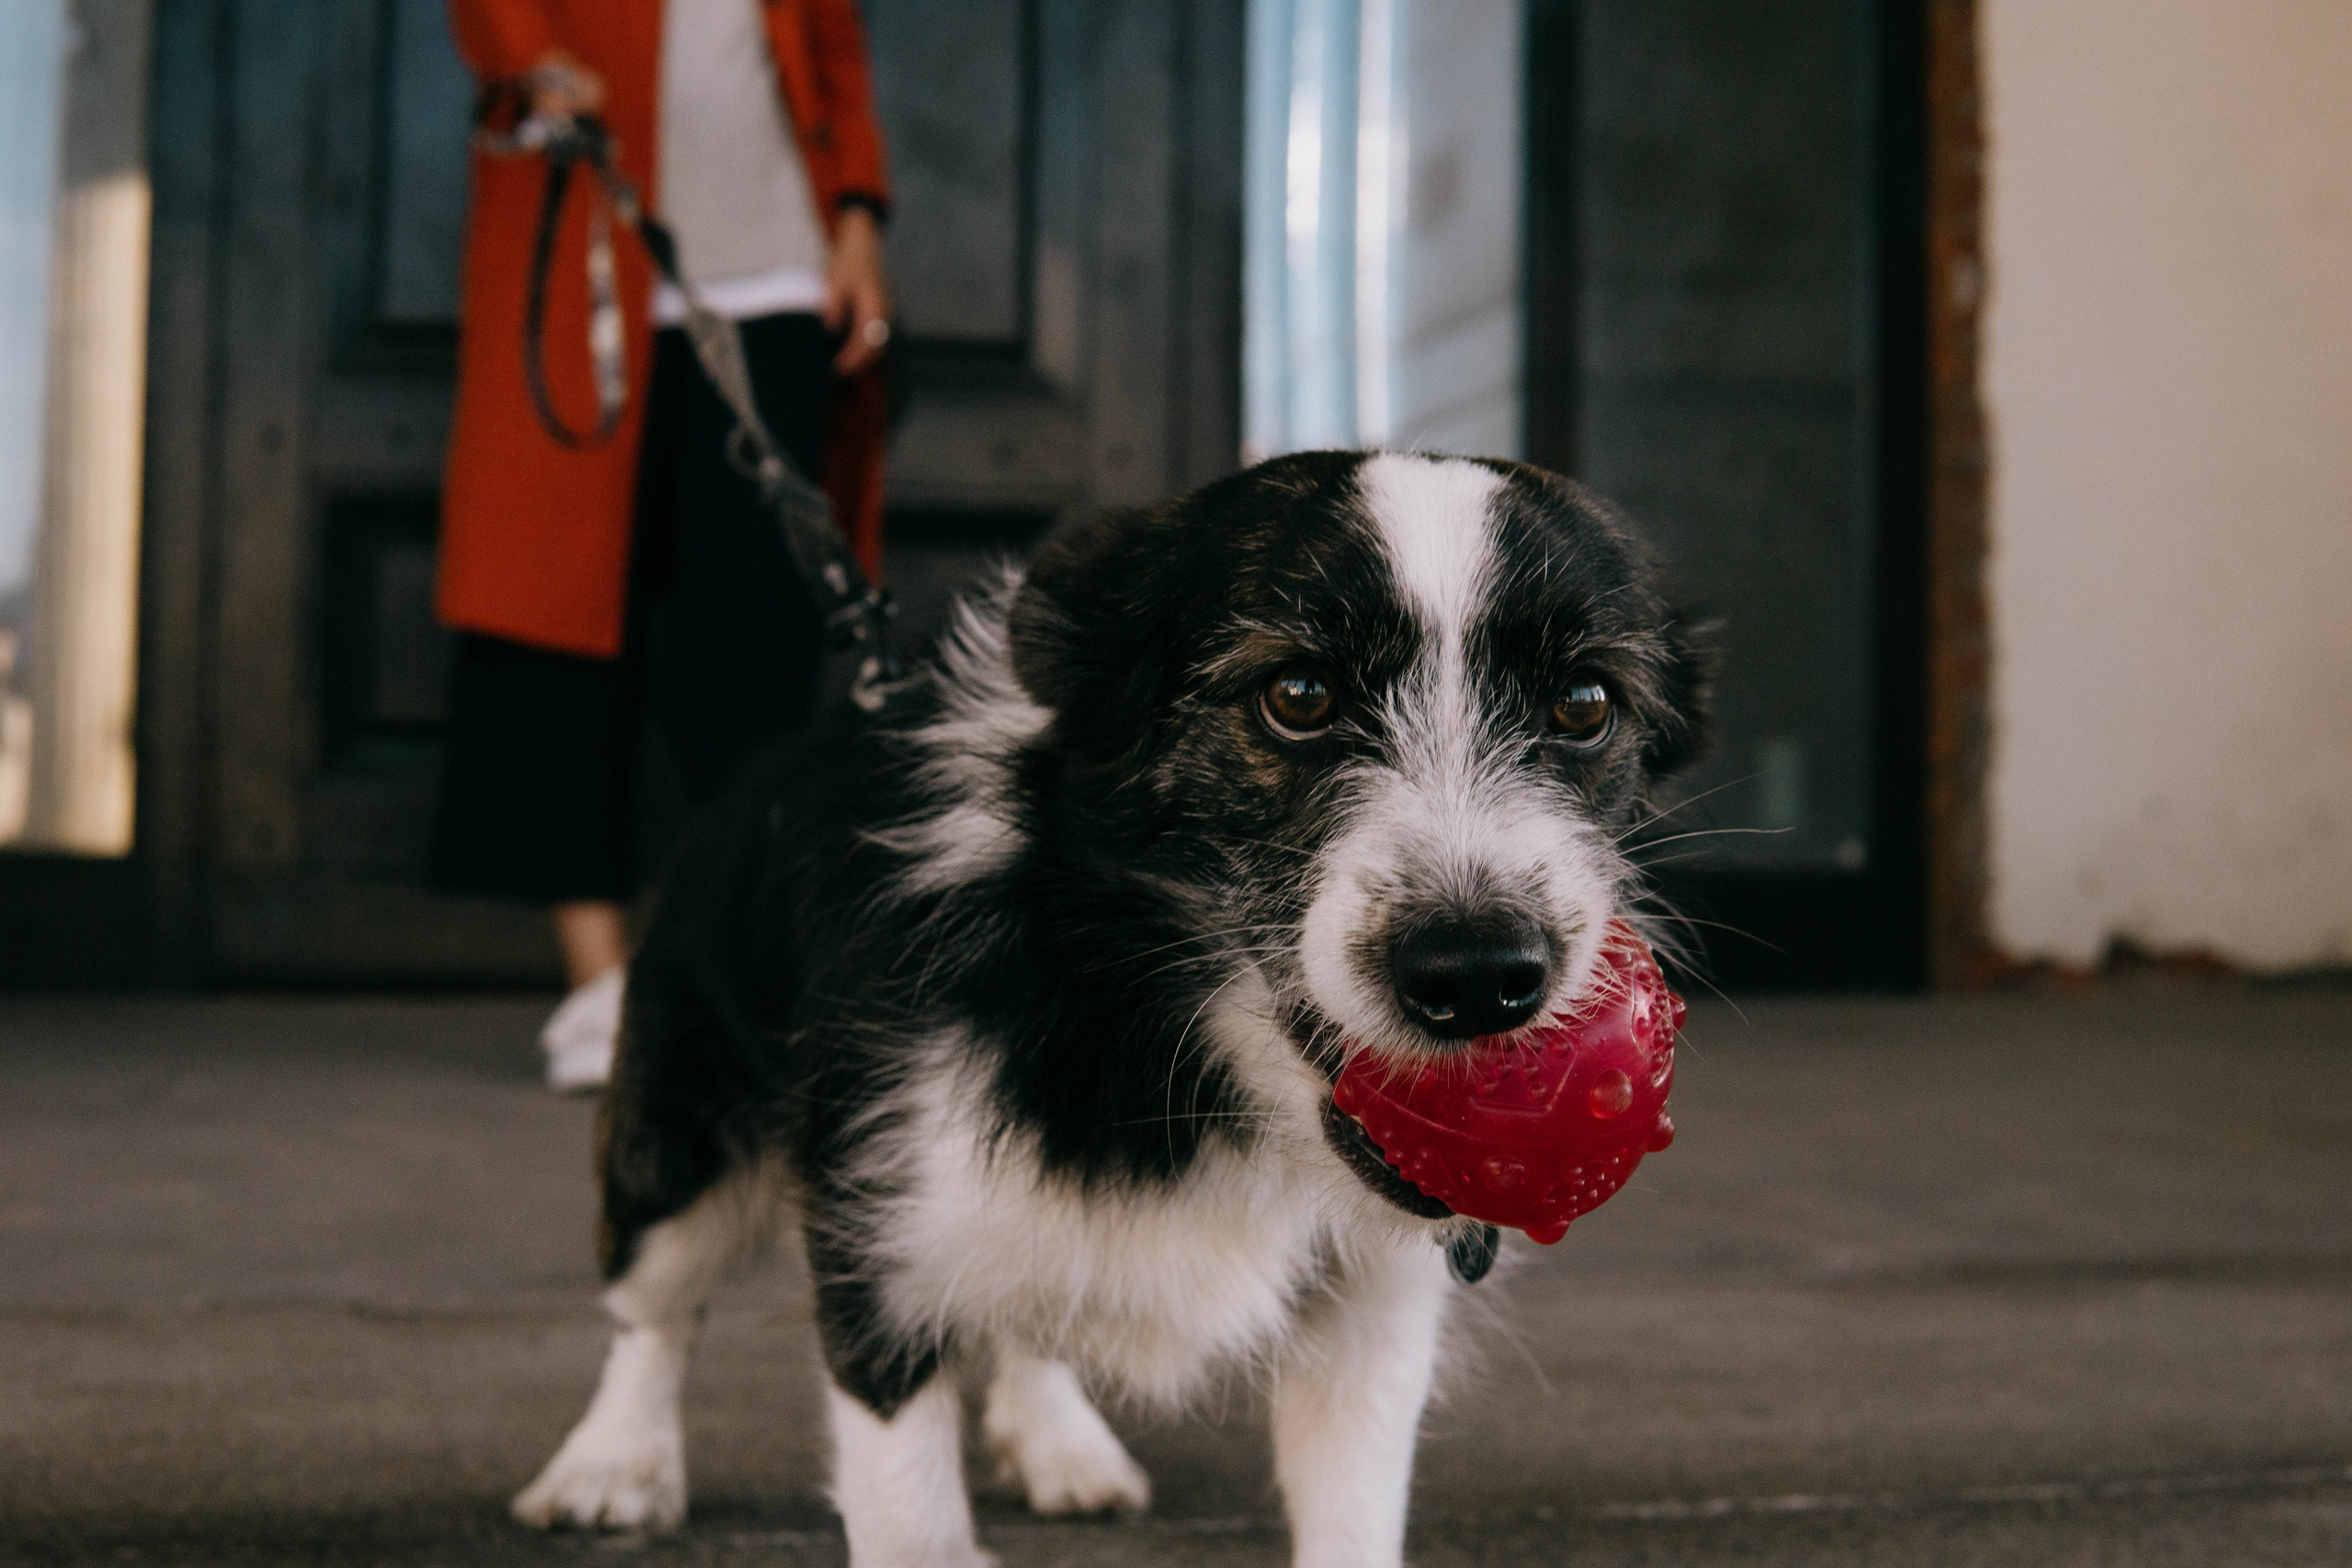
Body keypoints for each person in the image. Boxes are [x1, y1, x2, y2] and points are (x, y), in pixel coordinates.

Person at [431, 0, 894, 1090]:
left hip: (775, 271)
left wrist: (857, 216)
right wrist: (531, 63)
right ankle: (599, 985)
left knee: (755, 640)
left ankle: (741, 982)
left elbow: (828, 43)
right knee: (556, 613)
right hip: (582, 250)